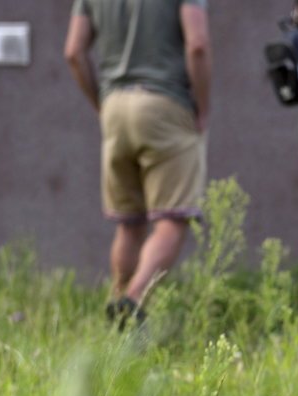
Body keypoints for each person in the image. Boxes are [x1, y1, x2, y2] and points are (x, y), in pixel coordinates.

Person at [65, 0, 211, 328]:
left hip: (115, 105)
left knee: (129, 223)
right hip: (166, 102)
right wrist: (202, 106)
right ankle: (133, 301)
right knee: (172, 219)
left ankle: (116, 305)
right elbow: (198, 44)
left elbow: (74, 51)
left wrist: (102, 104)